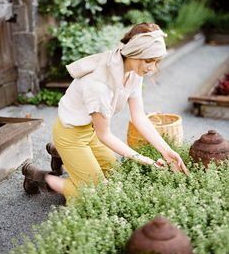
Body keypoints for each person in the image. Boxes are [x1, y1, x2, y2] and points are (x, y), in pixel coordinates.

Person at [22, 22, 188, 202]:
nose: (152, 68)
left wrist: (167, 151)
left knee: (116, 175)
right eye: (149, 61)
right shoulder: (99, 85)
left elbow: (139, 117)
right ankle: (38, 176)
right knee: (97, 195)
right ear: (133, 52)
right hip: (70, 134)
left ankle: (60, 154)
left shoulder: (133, 72)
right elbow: (105, 135)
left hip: (90, 131)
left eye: (156, 62)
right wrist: (144, 159)